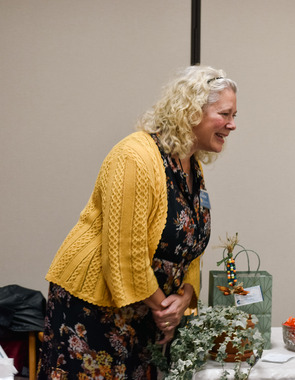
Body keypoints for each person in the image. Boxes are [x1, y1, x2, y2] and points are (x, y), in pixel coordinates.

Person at [38, 66, 238, 379]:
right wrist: (164, 309)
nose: (232, 125)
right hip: (95, 308)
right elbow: (123, 253)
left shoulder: (191, 167)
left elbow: (190, 246)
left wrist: (185, 296)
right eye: (225, 114)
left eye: (234, 115)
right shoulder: (135, 156)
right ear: (191, 111)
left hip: (144, 311)